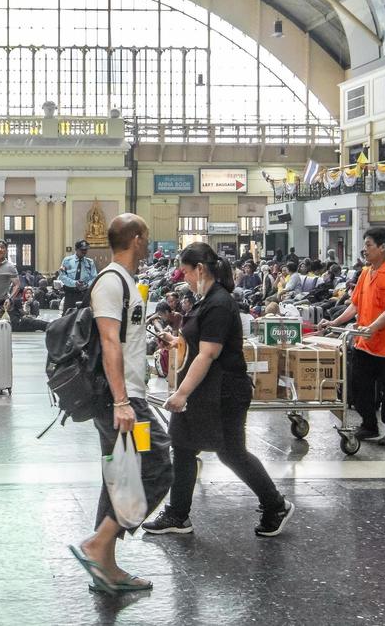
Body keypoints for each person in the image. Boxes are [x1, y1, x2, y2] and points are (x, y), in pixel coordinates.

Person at [143, 243, 292, 538]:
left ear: (200, 269)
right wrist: (174, 341)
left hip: (224, 391)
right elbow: (198, 344)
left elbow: (208, 354)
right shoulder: (205, 301)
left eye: (185, 271)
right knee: (183, 445)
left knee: (231, 453)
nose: (183, 277)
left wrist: (182, 393)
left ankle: (275, 504)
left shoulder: (220, 304)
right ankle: (178, 515)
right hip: (206, 388)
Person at [69, 212, 171, 596]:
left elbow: (124, 340)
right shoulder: (111, 282)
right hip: (123, 401)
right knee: (158, 467)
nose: (149, 243)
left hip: (123, 397)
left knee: (119, 473)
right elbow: (109, 342)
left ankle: (105, 565)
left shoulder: (126, 281)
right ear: (137, 238)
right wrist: (122, 401)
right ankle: (98, 544)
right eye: (146, 236)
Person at [319, 228, 385, 447]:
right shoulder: (366, 273)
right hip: (365, 344)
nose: (365, 249)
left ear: (382, 248)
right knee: (359, 387)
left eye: (369, 245)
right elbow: (355, 304)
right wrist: (335, 322)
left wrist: (372, 327)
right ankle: (369, 424)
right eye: (365, 244)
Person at [57, 239, 96, 315]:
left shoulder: (90, 262)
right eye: (82, 250)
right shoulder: (67, 261)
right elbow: (62, 276)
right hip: (70, 294)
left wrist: (87, 285)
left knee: (83, 317)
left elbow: (94, 277)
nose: (84, 252)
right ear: (76, 249)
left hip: (84, 294)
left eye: (86, 250)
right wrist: (75, 283)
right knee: (68, 317)